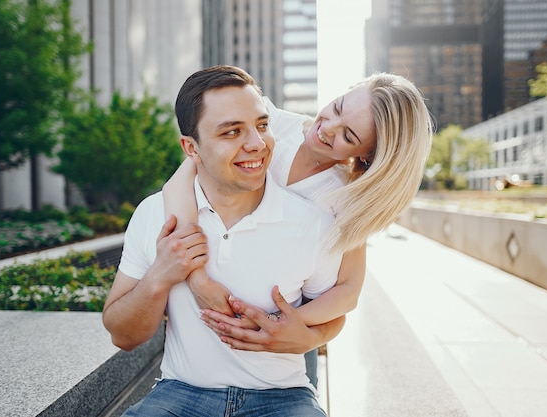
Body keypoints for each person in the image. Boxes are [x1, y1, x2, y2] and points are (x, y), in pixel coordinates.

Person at [102, 65, 344, 417]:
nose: (257, 144)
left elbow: (334, 315)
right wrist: (161, 275)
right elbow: (122, 336)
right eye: (232, 132)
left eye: (262, 125)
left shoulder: (314, 224)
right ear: (191, 148)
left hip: (284, 398)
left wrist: (308, 337)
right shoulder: (156, 214)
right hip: (181, 394)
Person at [161, 70, 434, 379]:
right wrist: (198, 281)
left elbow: (347, 292)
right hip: (201, 329)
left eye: (349, 136)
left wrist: (277, 325)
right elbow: (177, 186)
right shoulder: (269, 123)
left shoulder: (345, 198)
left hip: (282, 353)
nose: (328, 128)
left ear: (368, 155)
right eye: (337, 107)